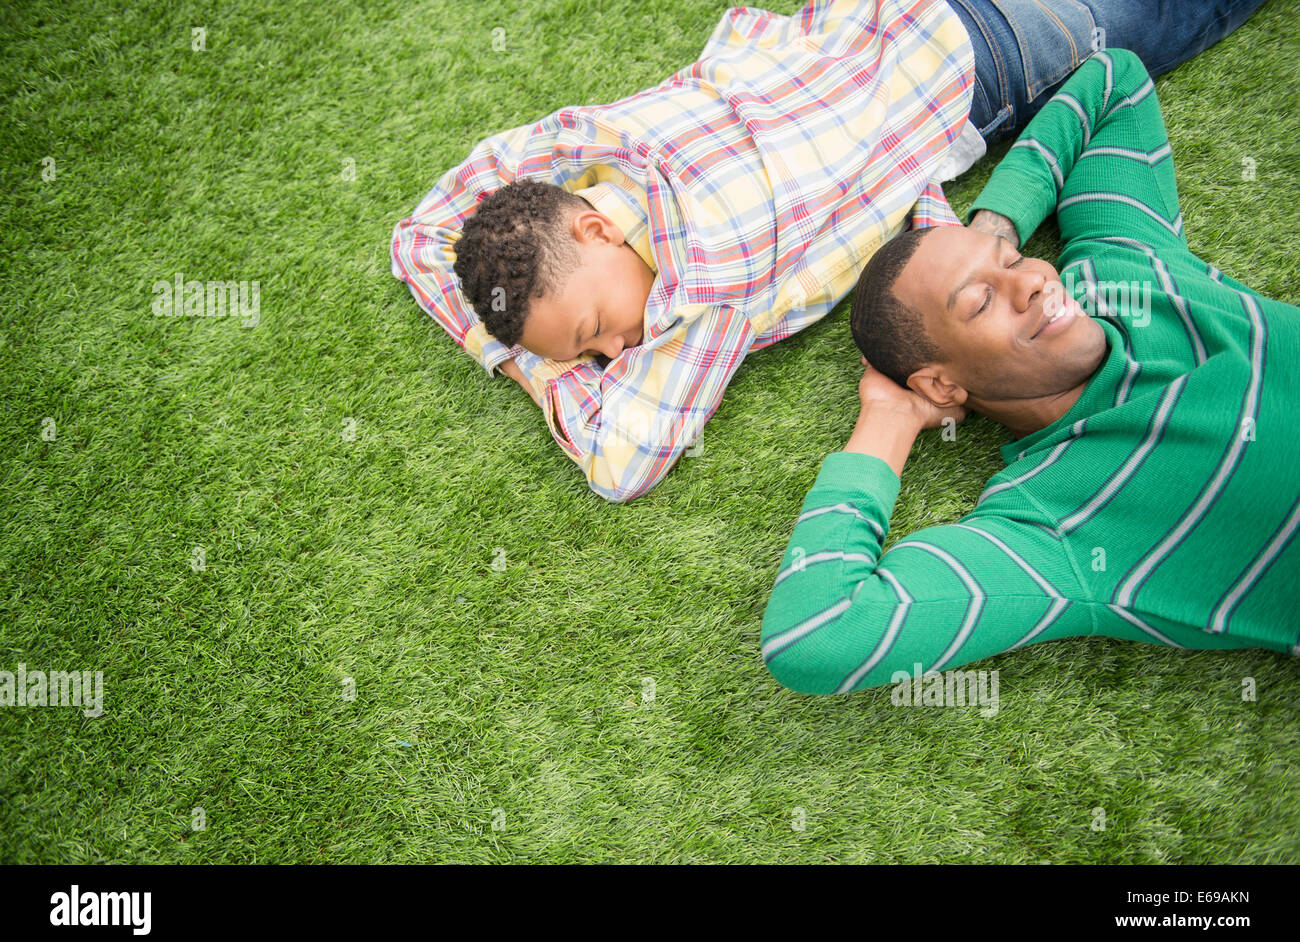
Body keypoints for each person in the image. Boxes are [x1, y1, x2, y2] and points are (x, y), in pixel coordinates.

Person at [392, 0, 1264, 503]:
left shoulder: (709, 283)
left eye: (592, 330)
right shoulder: (600, 139)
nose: (615, 353)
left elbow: (625, 462)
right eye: (589, 356)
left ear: (593, 229)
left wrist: (524, 367)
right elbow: (419, 235)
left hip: (1000, 54)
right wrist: (525, 328)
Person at [759, 47, 1298, 695]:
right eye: (982, 300)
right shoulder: (1054, 526)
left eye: (1011, 261)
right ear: (943, 385)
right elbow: (818, 633)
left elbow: (1115, 81)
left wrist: (998, 222)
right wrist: (887, 418)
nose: (1035, 283)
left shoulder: (1118, 263)